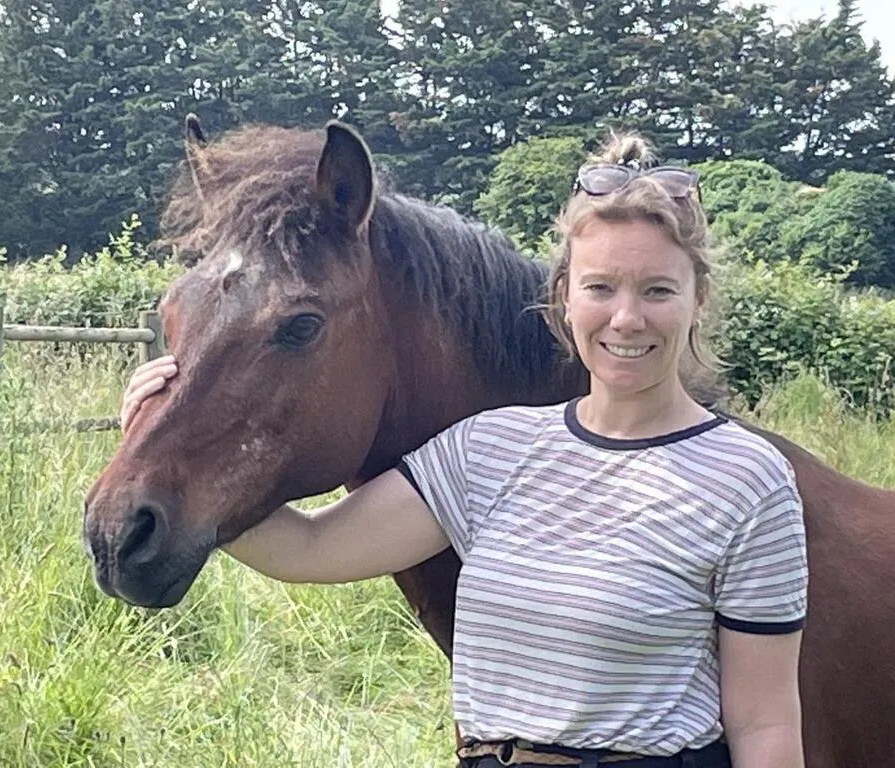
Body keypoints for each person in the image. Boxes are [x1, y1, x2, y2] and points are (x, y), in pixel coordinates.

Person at [119, 132, 808, 768]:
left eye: (657, 290)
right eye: (600, 287)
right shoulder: (487, 450)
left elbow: (765, 725)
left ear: (697, 300)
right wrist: (157, 440)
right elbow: (304, 548)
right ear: (565, 297)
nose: (625, 319)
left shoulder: (746, 481)